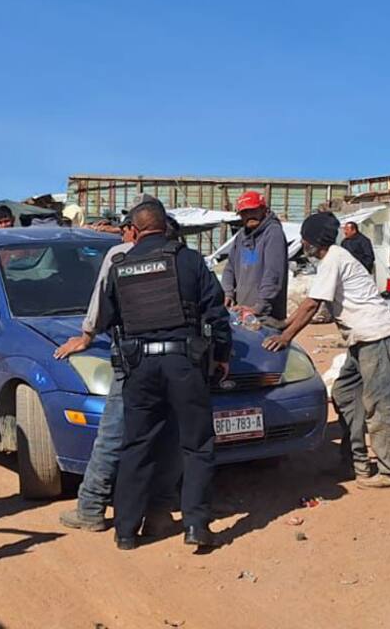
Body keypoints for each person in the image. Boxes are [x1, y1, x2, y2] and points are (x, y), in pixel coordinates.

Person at [93, 200, 231, 551]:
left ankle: (125, 532)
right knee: (196, 445)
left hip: (139, 367)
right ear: (166, 227)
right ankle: (196, 526)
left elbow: (107, 319)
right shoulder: (188, 259)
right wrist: (223, 356)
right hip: (184, 364)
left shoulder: (120, 265)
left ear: (135, 231)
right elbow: (216, 313)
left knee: (137, 445)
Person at [54, 197, 181, 535]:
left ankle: (92, 507)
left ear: (133, 229)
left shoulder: (119, 256)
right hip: (175, 360)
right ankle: (159, 513)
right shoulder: (179, 256)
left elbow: (101, 303)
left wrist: (85, 336)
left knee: (114, 432)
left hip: (131, 359)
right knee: (168, 435)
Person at [262, 212, 390, 488]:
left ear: (312, 240)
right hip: (362, 339)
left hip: (377, 337)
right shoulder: (334, 259)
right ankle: (356, 462)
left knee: (379, 402)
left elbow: (312, 304)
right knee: (344, 393)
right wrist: (283, 322)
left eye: (305, 239)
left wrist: (285, 336)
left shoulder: (333, 259)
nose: (303, 245)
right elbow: (310, 302)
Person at [222, 190, 289, 324]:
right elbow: (230, 268)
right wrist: (228, 292)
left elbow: (273, 274)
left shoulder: (273, 233)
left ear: (264, 209)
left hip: (265, 315)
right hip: (244, 312)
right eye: (244, 213)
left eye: (253, 210)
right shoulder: (241, 237)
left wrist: (260, 306)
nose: (249, 215)